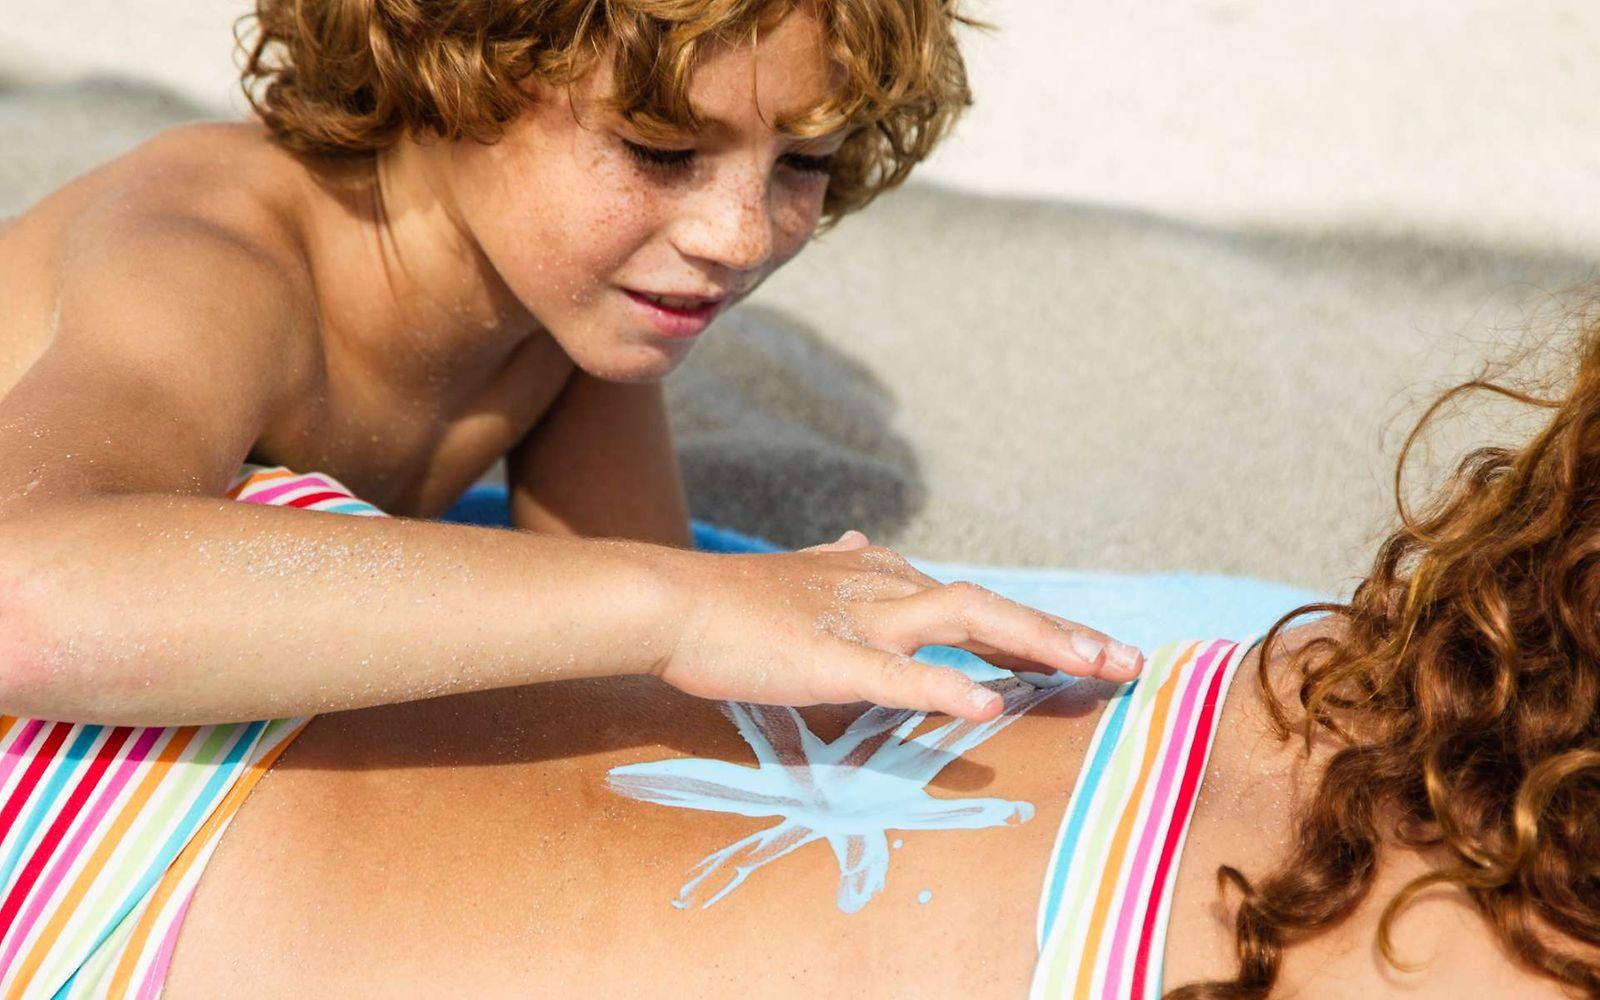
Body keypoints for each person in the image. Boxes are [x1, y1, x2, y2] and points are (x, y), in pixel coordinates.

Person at [0, 0, 1146, 994]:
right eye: (657, 148)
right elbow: (28, 591)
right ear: (454, 69)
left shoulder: (570, 302)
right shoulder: (215, 257)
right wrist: (682, 604)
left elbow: (650, 669)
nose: (735, 235)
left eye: (802, 163)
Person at [157, 310, 1600, 998]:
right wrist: (659, 603)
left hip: (238, 598)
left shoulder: (1376, 662)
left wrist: (654, 602)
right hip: (150, 753)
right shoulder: (1456, 934)